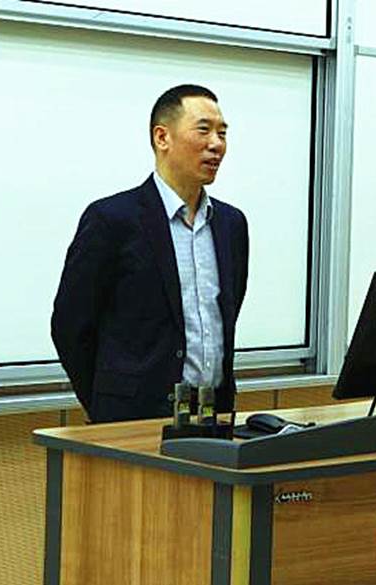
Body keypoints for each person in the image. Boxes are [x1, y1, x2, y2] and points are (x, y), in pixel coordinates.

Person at [51, 85, 249, 423]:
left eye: (222, 133)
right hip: (132, 417)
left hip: (213, 413)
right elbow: (71, 325)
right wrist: (106, 404)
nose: (216, 144)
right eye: (203, 130)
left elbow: (227, 313)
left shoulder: (231, 224)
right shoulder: (113, 219)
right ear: (162, 137)